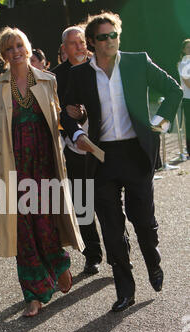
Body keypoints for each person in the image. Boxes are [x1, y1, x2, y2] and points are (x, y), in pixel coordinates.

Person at [61, 11, 183, 312]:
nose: (110, 41)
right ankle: (125, 290)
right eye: (103, 37)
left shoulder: (136, 62)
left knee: (143, 221)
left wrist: (157, 122)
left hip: (135, 154)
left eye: (113, 34)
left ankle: (153, 261)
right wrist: (76, 132)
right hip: (101, 158)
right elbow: (66, 113)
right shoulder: (80, 75)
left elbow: (174, 90)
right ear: (92, 42)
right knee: (112, 230)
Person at [0, 27, 84, 317]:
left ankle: (59, 264)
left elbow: (63, 119)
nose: (15, 52)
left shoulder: (47, 80)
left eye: (18, 46)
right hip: (14, 165)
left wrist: (81, 119)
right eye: (9, 49)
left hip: (45, 163)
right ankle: (34, 295)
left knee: (45, 221)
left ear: (27, 48)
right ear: (3, 55)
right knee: (23, 230)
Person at [52, 26, 103, 276]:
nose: (80, 46)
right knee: (83, 205)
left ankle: (118, 252)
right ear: (64, 48)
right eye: (73, 43)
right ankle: (92, 255)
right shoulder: (56, 77)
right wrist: (67, 118)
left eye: (82, 41)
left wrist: (84, 114)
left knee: (108, 201)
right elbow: (53, 111)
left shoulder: (99, 66)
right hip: (73, 148)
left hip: (102, 144)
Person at [178, 39, 190, 157]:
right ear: (183, 50)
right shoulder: (183, 64)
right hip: (188, 99)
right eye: (188, 47)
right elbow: (188, 83)